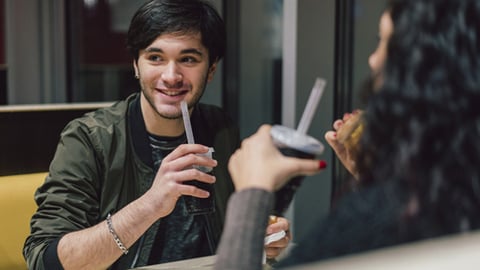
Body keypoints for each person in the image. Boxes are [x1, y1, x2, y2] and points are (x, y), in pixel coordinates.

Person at [23, 0, 290, 269]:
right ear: (136, 65)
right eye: (155, 58)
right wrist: (151, 204)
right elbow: (44, 259)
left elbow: (233, 236)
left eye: (188, 59)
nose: (171, 76)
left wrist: (262, 238)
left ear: (211, 69)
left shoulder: (220, 128)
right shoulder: (89, 139)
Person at [215, 0, 480, 269]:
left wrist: (251, 193)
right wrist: (375, 180)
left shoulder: (373, 220)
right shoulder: (457, 194)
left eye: (387, 43)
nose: (373, 59)